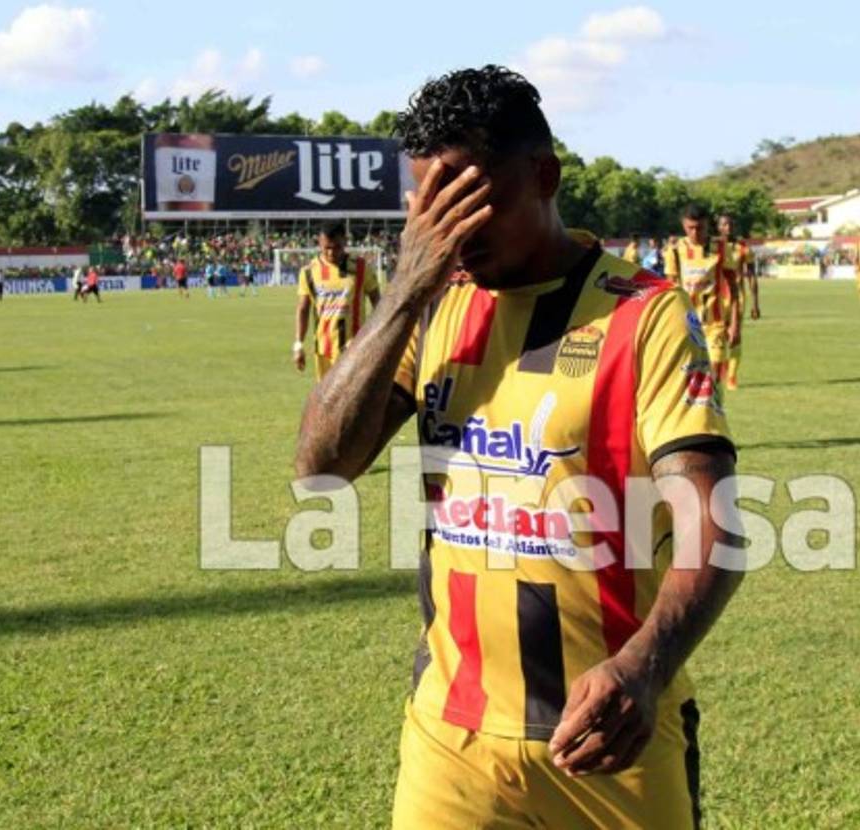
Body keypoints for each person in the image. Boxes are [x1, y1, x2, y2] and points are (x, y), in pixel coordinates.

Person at [294, 65, 742, 829]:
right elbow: (322, 467)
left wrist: (645, 665)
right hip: (453, 739)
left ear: (543, 176)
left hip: (615, 736)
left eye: (468, 198)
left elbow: (715, 525)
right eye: (428, 206)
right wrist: (405, 291)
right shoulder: (433, 311)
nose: (450, 228)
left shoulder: (647, 315)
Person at [293, 222, 381, 379]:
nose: (331, 253)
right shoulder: (308, 272)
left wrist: (375, 335)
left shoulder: (361, 267)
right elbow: (303, 309)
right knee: (327, 401)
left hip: (355, 349)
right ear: (319, 242)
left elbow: (378, 302)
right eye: (326, 247)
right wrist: (298, 344)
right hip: (323, 350)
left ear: (345, 242)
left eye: (337, 247)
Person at [665, 203, 739, 383]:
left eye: (700, 228)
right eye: (691, 228)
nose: (695, 233)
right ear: (684, 225)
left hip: (715, 323)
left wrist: (735, 324)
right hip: (686, 324)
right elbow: (669, 290)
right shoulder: (675, 251)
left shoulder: (721, 248)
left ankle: (713, 406)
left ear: (707, 225)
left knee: (713, 376)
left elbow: (734, 287)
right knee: (687, 378)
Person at [716, 214, 757, 391]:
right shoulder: (713, 247)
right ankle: (719, 367)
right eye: (725, 224)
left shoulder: (743, 248)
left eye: (731, 224)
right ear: (718, 227)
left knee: (735, 336)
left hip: (737, 297)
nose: (728, 227)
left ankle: (731, 376)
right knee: (716, 334)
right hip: (716, 296)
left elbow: (752, 275)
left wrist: (756, 303)